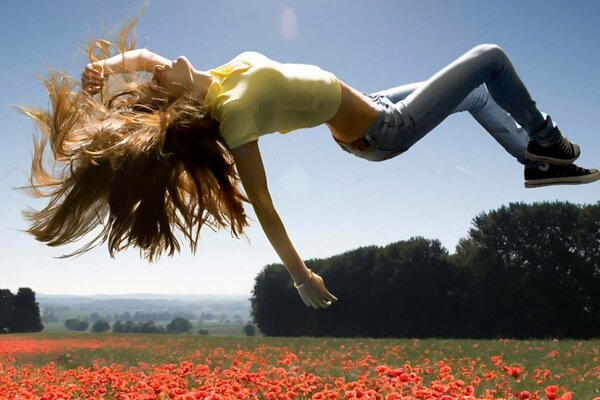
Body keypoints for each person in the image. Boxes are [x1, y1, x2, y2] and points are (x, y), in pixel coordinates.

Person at [22, 21, 598, 310]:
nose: (154, 70)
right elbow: (264, 204)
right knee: (489, 60)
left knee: (475, 95)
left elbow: (145, 58)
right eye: (156, 83)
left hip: (375, 100)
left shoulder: (219, 76)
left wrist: (110, 70)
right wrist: (301, 277)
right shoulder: (233, 109)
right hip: (381, 130)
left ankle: (533, 161)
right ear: (181, 106)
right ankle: (547, 144)